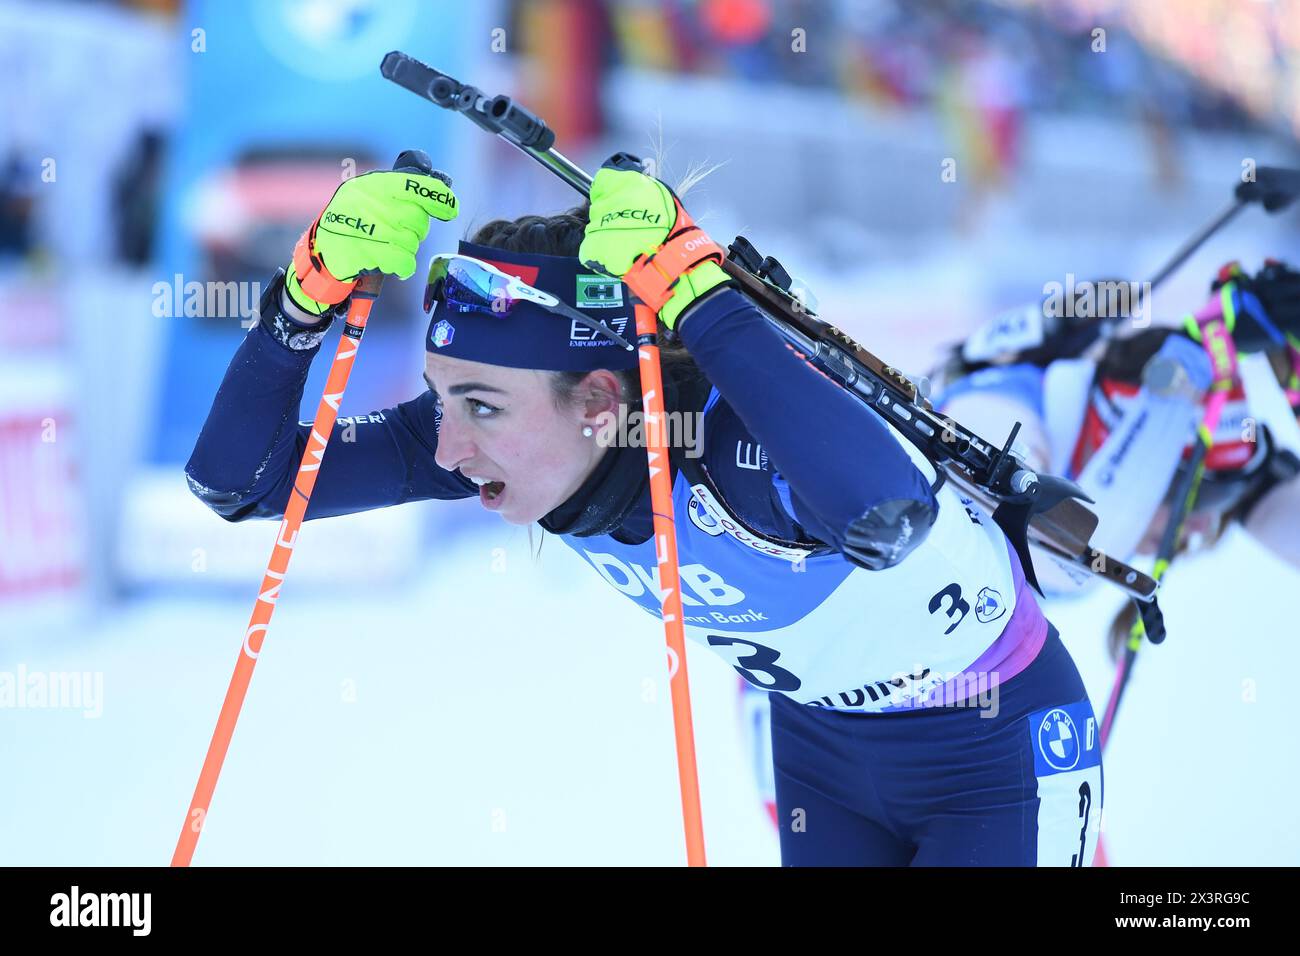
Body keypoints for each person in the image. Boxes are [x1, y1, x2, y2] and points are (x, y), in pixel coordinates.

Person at [186, 158, 1104, 866]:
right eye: (443, 397)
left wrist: (699, 290)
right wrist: (300, 299)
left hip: (991, 754)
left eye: (480, 405)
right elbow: (242, 482)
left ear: (597, 400)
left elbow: (885, 513)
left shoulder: (734, 438)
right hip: (822, 751)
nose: (445, 448)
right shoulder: (526, 435)